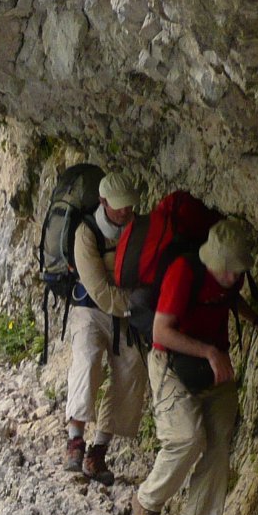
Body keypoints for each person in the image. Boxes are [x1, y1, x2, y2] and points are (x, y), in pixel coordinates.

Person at [132, 217, 258, 515]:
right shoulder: (185, 273)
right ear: (212, 259)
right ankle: (147, 501)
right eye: (229, 270)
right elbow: (161, 332)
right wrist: (210, 352)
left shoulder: (230, 277)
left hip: (211, 367)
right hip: (172, 362)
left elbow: (232, 300)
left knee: (218, 445)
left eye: (239, 271)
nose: (234, 278)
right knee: (186, 438)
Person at [63, 171, 144, 485]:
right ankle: (75, 440)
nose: (125, 211)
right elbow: (98, 288)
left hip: (124, 313)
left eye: (129, 206)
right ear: (103, 201)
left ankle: (98, 452)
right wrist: (138, 305)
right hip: (91, 310)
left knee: (133, 370)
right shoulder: (86, 233)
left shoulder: (135, 228)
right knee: (87, 359)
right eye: (119, 206)